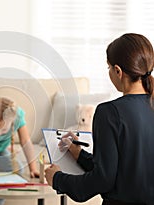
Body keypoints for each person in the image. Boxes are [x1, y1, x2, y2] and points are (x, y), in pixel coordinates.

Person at [45, 33, 154, 205]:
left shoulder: (109, 112)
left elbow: (102, 180)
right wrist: (79, 154)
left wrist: (57, 179)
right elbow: (121, 172)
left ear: (118, 71)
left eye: (108, 68)